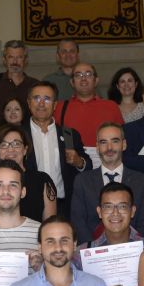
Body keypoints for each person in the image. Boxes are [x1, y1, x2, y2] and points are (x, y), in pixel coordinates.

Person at [70, 122, 144, 243]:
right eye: (103, 142)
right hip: (93, 255)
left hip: (132, 253)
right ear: (97, 147)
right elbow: (78, 222)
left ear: (124, 145)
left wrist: (130, 250)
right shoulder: (82, 181)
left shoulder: (142, 181)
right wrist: (94, 251)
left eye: (115, 141)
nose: (109, 148)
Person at [24, 81, 92, 216]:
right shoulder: (18, 134)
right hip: (28, 205)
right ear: (28, 103)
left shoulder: (69, 134)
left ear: (55, 105)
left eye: (47, 99)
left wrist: (79, 162)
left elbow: (88, 164)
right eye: (36, 98)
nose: (41, 104)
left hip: (64, 207)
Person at [0, 124, 57, 225]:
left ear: (25, 149)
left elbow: (50, 228)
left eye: (16, 144)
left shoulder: (42, 180)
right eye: (3, 145)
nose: (10, 149)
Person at [54, 62, 124, 165]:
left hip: (106, 161)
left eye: (88, 74)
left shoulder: (111, 106)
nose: (83, 78)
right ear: (72, 82)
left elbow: (121, 138)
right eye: (78, 75)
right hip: (72, 164)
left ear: (96, 80)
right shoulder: (59, 107)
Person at [0, 40, 39, 129]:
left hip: (27, 139)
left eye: (19, 57)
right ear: (4, 60)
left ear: (25, 60)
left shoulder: (35, 85)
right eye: (11, 57)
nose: (15, 61)